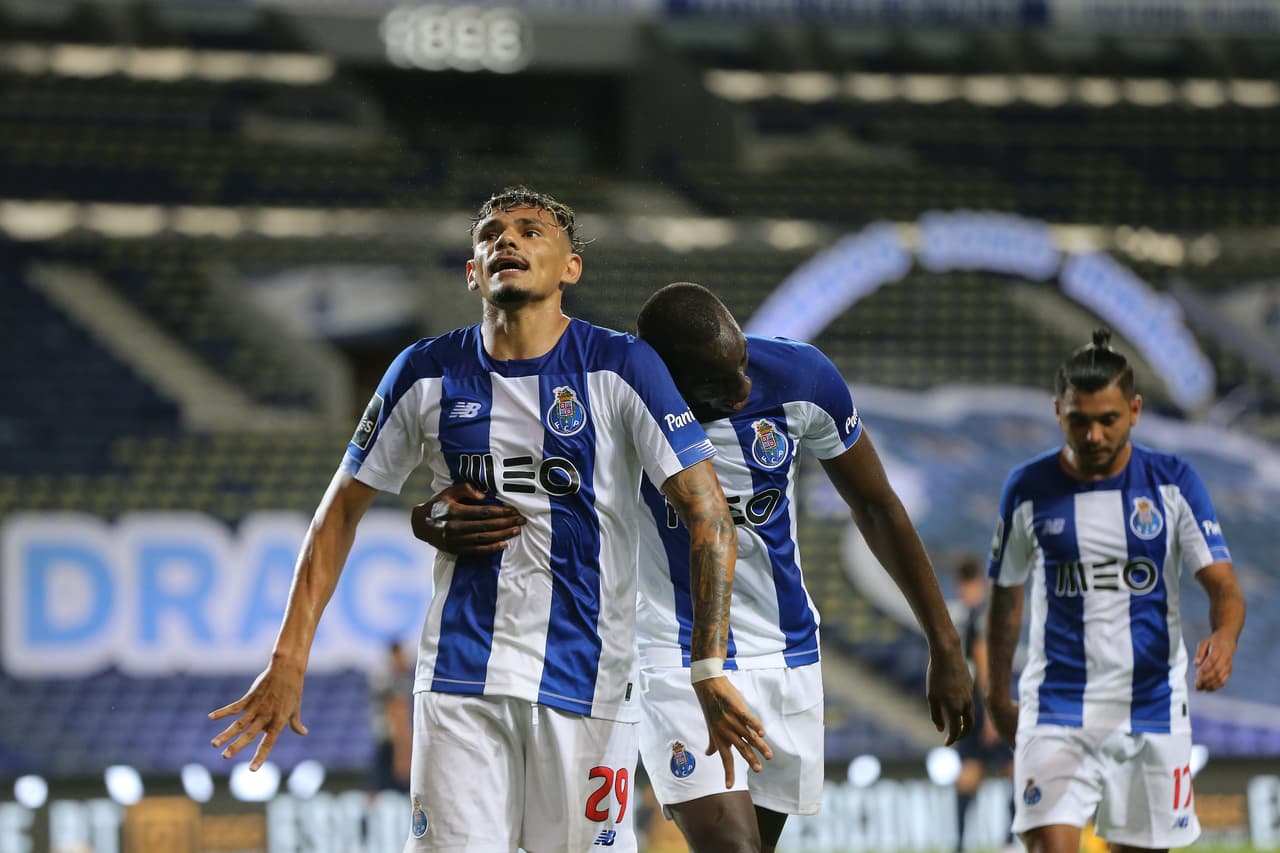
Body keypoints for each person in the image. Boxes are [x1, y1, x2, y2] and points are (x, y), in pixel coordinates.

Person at [209, 188, 770, 853]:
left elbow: (709, 514)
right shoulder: (425, 372)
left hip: (587, 681)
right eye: (491, 234)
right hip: (460, 677)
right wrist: (288, 659)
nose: (507, 240)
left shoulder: (621, 365)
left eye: (531, 231)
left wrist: (708, 667)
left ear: (570, 267)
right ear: (473, 272)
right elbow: (339, 513)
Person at [417, 281, 974, 853]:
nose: (743, 391)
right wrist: (428, 518)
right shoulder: (613, 397)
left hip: (787, 655)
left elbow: (877, 507)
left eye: (742, 368)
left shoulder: (802, 377)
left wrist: (945, 642)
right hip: (672, 655)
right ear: (666, 378)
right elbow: (524, 491)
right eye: (717, 385)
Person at [984, 329, 1246, 853]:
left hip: (1152, 705)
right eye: (1079, 420)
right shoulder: (1028, 488)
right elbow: (1005, 598)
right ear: (1058, 412)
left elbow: (1224, 587)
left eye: (1108, 419)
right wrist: (994, 695)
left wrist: (1225, 638)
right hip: (1057, 704)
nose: (1094, 434)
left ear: (1135, 411)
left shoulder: (1172, 482)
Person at [950, 557, 1014, 853]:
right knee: (1016, 769)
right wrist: (992, 709)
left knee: (970, 770)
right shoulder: (982, 615)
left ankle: (960, 845)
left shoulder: (960, 615)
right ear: (980, 583)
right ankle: (1009, 841)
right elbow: (983, 656)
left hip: (966, 702)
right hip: (984, 701)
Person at [368, 641, 415, 794]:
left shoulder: (403, 681)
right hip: (390, 739)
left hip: (397, 739)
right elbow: (395, 712)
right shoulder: (387, 681)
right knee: (383, 783)